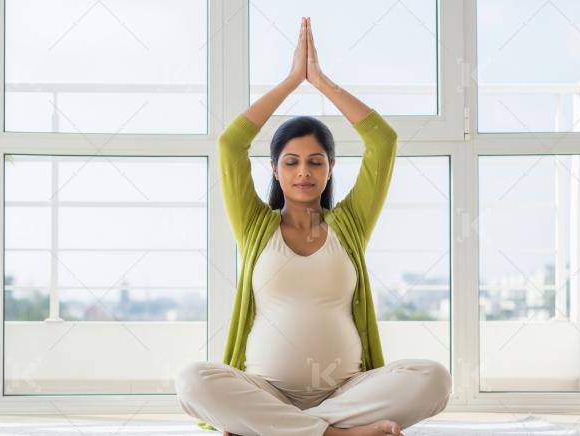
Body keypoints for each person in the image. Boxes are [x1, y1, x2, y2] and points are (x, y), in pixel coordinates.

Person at [174, 16, 451, 436]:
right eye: (292, 161)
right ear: (274, 168)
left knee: (434, 378)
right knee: (192, 380)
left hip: (347, 393)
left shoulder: (350, 225)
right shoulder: (255, 227)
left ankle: (273, 431)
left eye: (315, 161)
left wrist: (320, 82)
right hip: (265, 391)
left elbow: (384, 142)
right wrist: (291, 81)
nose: (303, 171)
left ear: (330, 168)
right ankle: (337, 434)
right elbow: (231, 144)